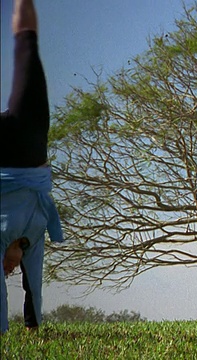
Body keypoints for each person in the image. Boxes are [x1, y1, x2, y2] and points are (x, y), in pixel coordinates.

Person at [1, 0, 64, 334]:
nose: (9, 271)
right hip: (29, 142)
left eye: (6, 269)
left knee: (27, 42)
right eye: (11, 271)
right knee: (28, 43)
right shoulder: (32, 242)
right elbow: (34, 289)